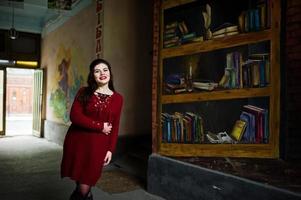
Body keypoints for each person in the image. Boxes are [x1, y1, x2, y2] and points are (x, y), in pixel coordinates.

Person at [61, 58, 123, 200]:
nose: (102, 73)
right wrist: (100, 126)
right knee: (82, 188)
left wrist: (110, 149)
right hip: (78, 143)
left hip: (97, 147)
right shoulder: (84, 92)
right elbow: (75, 116)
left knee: (84, 188)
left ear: (110, 73)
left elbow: (115, 125)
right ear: (92, 75)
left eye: (105, 70)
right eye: (97, 71)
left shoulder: (118, 98)